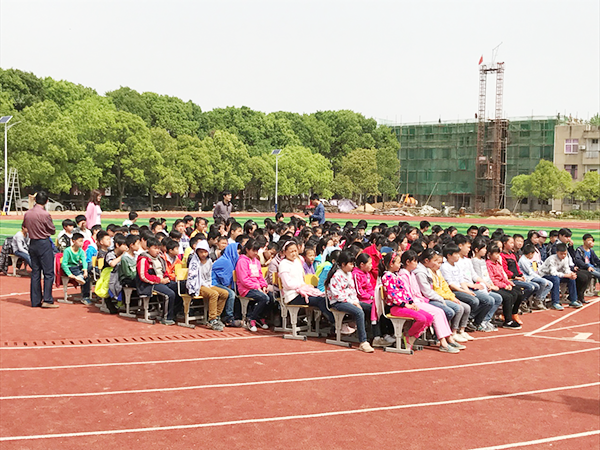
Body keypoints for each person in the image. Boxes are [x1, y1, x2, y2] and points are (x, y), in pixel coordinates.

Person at [398, 250, 465, 353]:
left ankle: (448, 339)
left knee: (440, 311)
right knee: (437, 312)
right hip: (413, 302)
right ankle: (443, 343)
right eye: (415, 261)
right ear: (408, 262)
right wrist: (415, 302)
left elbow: (417, 292)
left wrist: (422, 300)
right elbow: (408, 294)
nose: (417, 263)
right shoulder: (405, 275)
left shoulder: (411, 274)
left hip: (419, 300)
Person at [379, 252, 434, 350]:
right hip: (396, 307)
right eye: (398, 262)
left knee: (429, 317)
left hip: (405, 306)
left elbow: (405, 292)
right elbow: (392, 296)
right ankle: (409, 336)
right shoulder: (386, 277)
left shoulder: (396, 276)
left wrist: (411, 303)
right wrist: (405, 304)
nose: (400, 265)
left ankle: (410, 336)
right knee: (421, 319)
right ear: (391, 264)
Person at [416, 248, 472, 343]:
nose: (438, 265)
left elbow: (444, 286)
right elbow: (429, 291)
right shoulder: (421, 272)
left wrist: (451, 296)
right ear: (426, 260)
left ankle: (450, 334)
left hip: (433, 298)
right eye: (436, 261)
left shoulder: (432, 271)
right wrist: (442, 299)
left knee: (463, 307)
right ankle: (443, 335)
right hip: (427, 299)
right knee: (450, 310)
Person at [325, 251, 375, 353]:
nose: (353, 266)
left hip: (350, 301)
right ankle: (363, 341)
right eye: (351, 264)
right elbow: (337, 295)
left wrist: (355, 301)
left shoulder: (349, 275)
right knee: (359, 312)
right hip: (338, 302)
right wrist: (353, 303)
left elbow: (353, 292)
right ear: (343, 264)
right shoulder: (336, 276)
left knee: (371, 308)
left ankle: (372, 335)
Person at [278, 239, 335, 325]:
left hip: (302, 291)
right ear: (285, 252)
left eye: (295, 251)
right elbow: (287, 284)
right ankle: (334, 323)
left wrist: (306, 286)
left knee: (326, 298)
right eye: (291, 251)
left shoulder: (297, 262)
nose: (294, 253)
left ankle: (329, 322)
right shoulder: (283, 264)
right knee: (321, 300)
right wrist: (301, 286)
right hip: (293, 295)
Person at [23, 192, 57, 308]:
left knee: (35, 272)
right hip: (43, 242)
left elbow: (25, 226)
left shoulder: (28, 214)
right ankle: (47, 299)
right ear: (46, 201)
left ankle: (35, 300)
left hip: (32, 242)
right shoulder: (45, 214)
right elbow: (52, 230)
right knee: (48, 273)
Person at [187, 240, 230, 331]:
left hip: (207, 284)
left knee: (225, 293)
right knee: (213, 294)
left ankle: (217, 316)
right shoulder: (194, 262)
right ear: (197, 252)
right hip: (198, 285)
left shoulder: (209, 261)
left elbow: (208, 275)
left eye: (205, 252)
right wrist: (204, 286)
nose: (203, 254)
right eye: (201, 252)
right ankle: (212, 319)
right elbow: (193, 277)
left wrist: (209, 285)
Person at [136, 237, 179, 325]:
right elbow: (143, 276)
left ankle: (174, 312)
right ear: (148, 248)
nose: (157, 250)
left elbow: (165, 271)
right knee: (169, 294)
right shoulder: (144, 259)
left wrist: (166, 278)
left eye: (158, 248)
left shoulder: (160, 259)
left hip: (163, 281)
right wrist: (159, 280)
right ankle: (167, 318)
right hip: (150, 284)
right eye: (155, 248)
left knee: (180, 287)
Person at [235, 238, 273, 332]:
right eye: (253, 250)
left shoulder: (256, 261)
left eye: (257, 250)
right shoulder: (242, 261)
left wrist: (264, 286)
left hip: (257, 287)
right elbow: (244, 280)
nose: (256, 253)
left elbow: (260, 276)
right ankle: (251, 318)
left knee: (271, 297)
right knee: (264, 298)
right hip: (246, 288)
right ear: (247, 250)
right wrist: (257, 287)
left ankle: (259, 317)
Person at [486, 244, 523, 328]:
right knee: (508, 296)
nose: (498, 256)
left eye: (498, 254)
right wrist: (504, 286)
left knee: (519, 292)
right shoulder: (488, 264)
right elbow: (493, 279)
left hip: (502, 284)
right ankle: (508, 320)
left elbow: (503, 276)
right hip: (495, 286)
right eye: (495, 254)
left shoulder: (497, 264)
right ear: (489, 254)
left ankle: (513, 313)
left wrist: (508, 283)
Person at [538, 243, 580, 310]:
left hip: (557, 275)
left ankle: (573, 300)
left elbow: (567, 269)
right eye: (561, 254)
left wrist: (571, 274)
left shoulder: (565, 258)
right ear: (557, 252)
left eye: (565, 253)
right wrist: (567, 275)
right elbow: (553, 273)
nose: (563, 255)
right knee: (555, 279)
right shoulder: (551, 259)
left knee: (571, 279)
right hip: (545, 275)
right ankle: (555, 302)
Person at [518, 244, 553, 310]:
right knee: (543, 282)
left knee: (550, 284)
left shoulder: (528, 260)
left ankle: (540, 299)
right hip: (527, 278)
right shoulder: (523, 260)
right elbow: (530, 272)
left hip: (532, 276)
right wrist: (540, 278)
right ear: (530, 253)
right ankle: (537, 299)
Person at [61, 232, 92, 305]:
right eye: (80, 241)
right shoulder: (67, 250)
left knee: (88, 274)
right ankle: (79, 277)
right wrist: (69, 274)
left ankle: (85, 296)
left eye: (82, 241)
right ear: (73, 241)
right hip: (69, 267)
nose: (82, 243)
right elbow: (64, 264)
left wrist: (85, 270)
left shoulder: (81, 251)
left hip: (77, 266)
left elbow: (84, 261)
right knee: (75, 269)